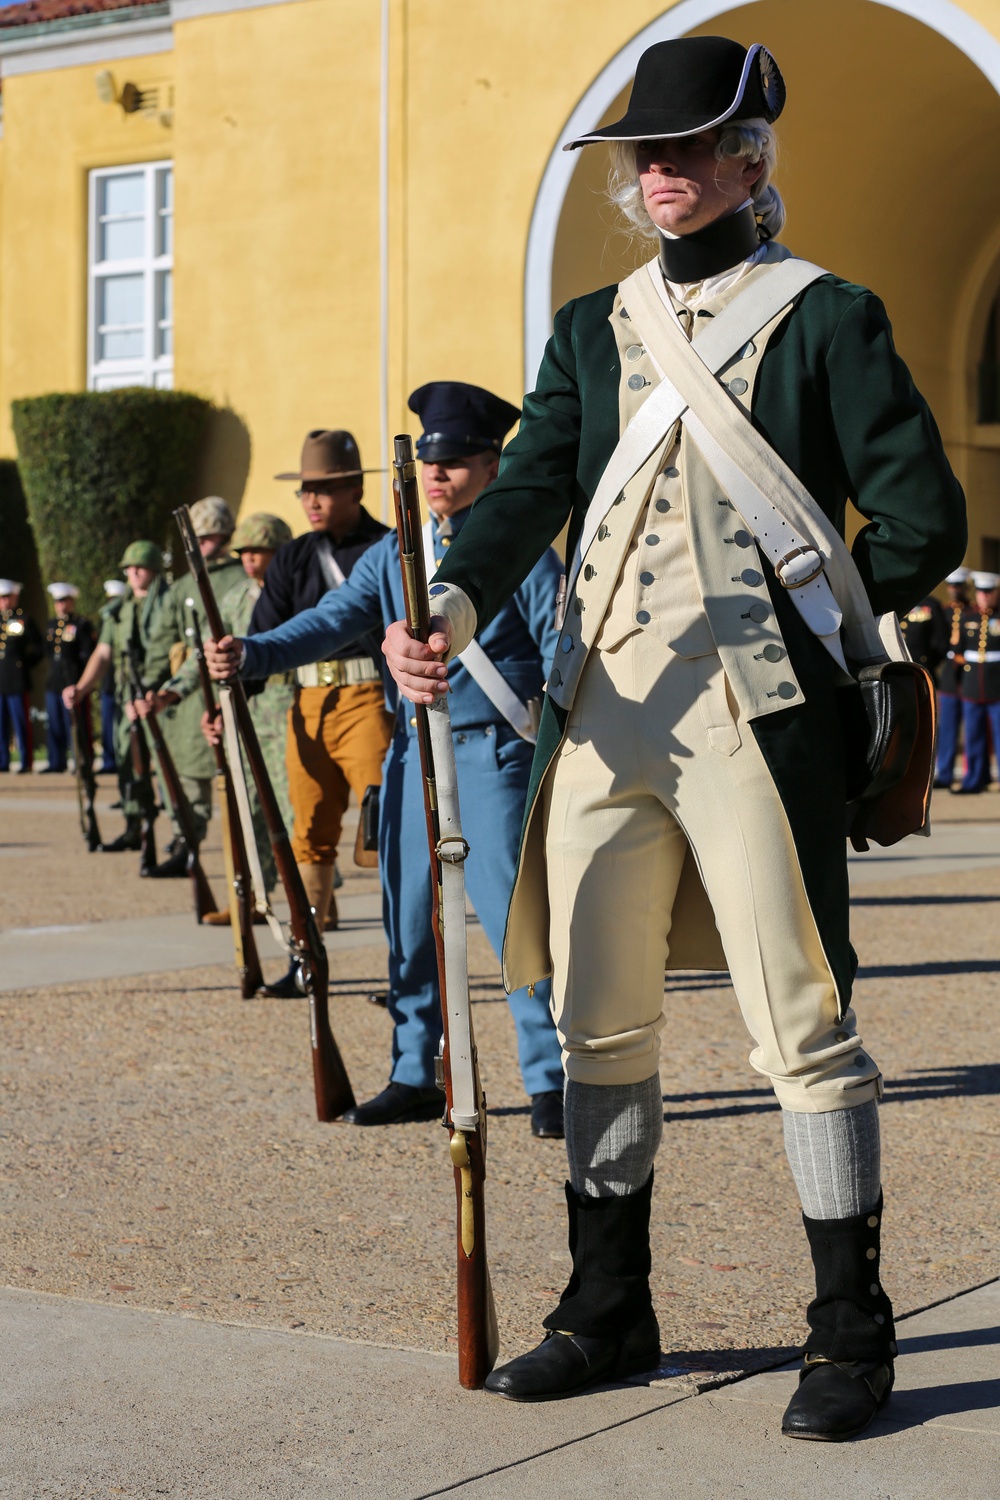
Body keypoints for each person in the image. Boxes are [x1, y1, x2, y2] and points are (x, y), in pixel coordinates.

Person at [383, 37, 966, 1437]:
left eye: (691, 147)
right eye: (647, 152)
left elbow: (922, 519)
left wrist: (826, 612)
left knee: (802, 1027)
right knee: (598, 1027)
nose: (662, 170)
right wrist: (452, 607)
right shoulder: (596, 326)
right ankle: (606, 1308)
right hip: (601, 716)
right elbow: (525, 490)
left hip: (755, 719)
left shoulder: (827, 314)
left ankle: (851, 1332)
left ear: (752, 159)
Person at [205, 386, 566, 1136]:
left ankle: (550, 1079)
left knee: (511, 925)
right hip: (412, 756)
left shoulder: (519, 545)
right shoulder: (396, 550)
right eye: (430, 459)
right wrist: (252, 654)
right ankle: (415, 1071)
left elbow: (563, 648)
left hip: (493, 751)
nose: (438, 474)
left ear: (492, 465)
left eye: (458, 460)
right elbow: (330, 623)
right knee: (408, 922)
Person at [239, 429, 396, 940]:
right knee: (308, 832)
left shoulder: (388, 548)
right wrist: (233, 703)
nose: (311, 500)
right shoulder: (292, 557)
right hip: (306, 702)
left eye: (323, 489)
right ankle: (310, 947)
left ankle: (409, 961)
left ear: (355, 489)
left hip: (371, 700)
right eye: (305, 490)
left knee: (389, 830)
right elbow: (265, 636)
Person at [181, 510, 294, 920]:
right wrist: (209, 704)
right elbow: (213, 656)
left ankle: (319, 899)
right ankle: (250, 899)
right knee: (248, 809)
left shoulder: (297, 592)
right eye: (244, 551)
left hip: (287, 709)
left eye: (259, 550)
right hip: (246, 711)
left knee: (293, 807)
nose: (249, 559)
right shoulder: (233, 599)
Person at [142, 497, 245, 876]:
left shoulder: (220, 581)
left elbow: (158, 646)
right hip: (200, 695)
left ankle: (202, 851)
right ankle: (192, 849)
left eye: (207, 539)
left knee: (215, 785)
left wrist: (157, 686)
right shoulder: (192, 583)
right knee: (199, 781)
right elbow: (159, 644)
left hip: (212, 694)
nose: (203, 547)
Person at [64, 542, 169, 856]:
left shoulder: (170, 602)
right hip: (128, 700)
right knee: (128, 764)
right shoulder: (119, 610)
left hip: (164, 698)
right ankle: (134, 826)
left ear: (154, 570)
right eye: (129, 568)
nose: (134, 572)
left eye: (141, 567)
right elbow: (103, 652)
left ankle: (181, 832)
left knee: (168, 767)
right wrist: (81, 688)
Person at [42, 583, 95, 773]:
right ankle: (56, 761)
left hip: (73, 681)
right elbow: (48, 652)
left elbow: (87, 654)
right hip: (54, 681)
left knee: (77, 724)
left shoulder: (81, 624)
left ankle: (82, 761)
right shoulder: (52, 625)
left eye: (64, 600)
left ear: (72, 601)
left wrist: (81, 682)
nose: (60, 605)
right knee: (55, 723)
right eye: (57, 601)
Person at [954, 571, 1000, 794]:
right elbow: (959, 653)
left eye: (989, 592)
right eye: (982, 592)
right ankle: (973, 780)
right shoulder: (968, 618)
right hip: (972, 685)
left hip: (997, 686)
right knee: (972, 736)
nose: (985, 596)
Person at [0, 578, 44, 772]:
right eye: (1, 598)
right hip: (1, 680)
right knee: (1, 724)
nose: (3, 602)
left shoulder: (23, 619)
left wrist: (23, 665)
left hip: (16, 679)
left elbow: (39, 647)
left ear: (15, 597)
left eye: (6, 597)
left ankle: (26, 761)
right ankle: (3, 761)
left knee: (20, 721)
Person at [934, 567, 971, 788]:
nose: (954, 590)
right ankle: (945, 772)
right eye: (952, 586)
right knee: (947, 727)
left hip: (971, 673)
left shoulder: (973, 612)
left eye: (958, 586)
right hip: (949, 674)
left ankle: (973, 773)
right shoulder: (944, 612)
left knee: (973, 728)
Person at [98, 580, 127, 773]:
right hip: (109, 683)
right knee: (108, 725)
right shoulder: (106, 622)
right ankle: (109, 761)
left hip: (126, 685)